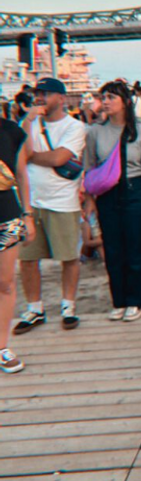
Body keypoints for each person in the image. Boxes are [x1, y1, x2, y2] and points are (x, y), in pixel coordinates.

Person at [12, 78, 87, 335]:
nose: (39, 97)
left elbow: (59, 157)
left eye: (45, 93)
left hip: (62, 201)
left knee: (69, 256)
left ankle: (68, 306)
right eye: (37, 93)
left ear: (61, 98)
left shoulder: (75, 126)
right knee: (28, 258)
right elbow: (17, 151)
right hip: (30, 201)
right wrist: (29, 119)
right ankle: (35, 308)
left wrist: (30, 157)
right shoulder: (30, 122)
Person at [82, 81, 141, 322]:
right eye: (103, 97)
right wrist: (89, 201)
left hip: (134, 190)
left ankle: (136, 300)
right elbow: (89, 168)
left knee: (137, 248)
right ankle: (119, 300)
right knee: (113, 248)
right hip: (107, 195)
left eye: (110, 97)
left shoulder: (140, 131)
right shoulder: (96, 131)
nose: (105, 101)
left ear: (125, 101)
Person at [0, 114, 35, 372]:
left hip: (7, 215)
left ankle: (2, 347)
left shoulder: (11, 131)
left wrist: (28, 215)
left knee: (5, 282)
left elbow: (22, 176)